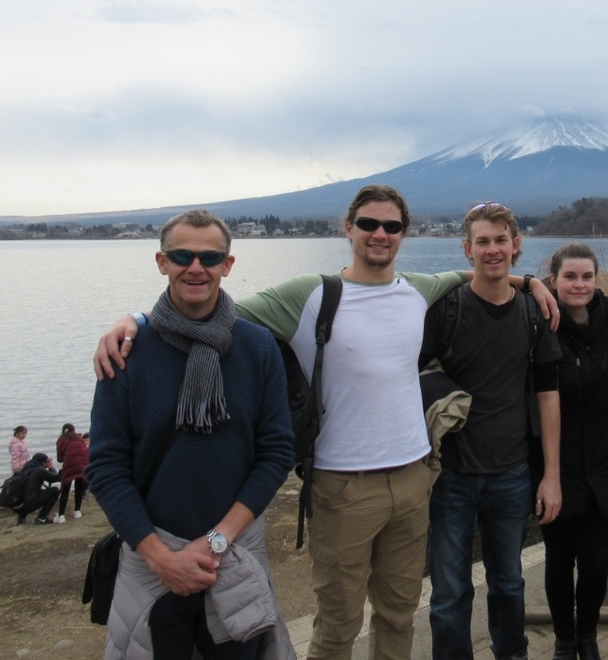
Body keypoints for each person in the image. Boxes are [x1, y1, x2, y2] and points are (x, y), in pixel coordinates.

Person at [93, 186, 558, 660]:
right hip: (343, 487)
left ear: (404, 234)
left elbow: (477, 272)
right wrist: (135, 321)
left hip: (415, 480)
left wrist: (531, 283)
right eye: (369, 224)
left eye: (391, 226)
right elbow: (214, 310)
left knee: (400, 616)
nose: (380, 234)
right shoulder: (310, 295)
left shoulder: (420, 289)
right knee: (337, 626)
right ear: (348, 228)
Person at [86, 209, 296, 659]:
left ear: (228, 263)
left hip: (235, 554)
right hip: (153, 563)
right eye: (182, 255)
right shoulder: (126, 352)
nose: (196, 267)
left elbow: (276, 453)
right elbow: (105, 466)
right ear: (162, 262)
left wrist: (218, 541)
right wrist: (161, 557)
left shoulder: (257, 347)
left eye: (209, 256)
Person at [418, 201, 562, 660]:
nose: (493, 249)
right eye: (483, 241)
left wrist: (551, 475)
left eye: (501, 240)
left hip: (511, 472)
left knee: (509, 584)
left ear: (516, 246)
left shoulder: (533, 315)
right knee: (448, 593)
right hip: (451, 476)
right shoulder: (445, 309)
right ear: (467, 249)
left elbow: (547, 394)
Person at [540, 243, 608, 660]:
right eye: (570, 276)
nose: (579, 284)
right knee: (559, 561)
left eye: (587, 277)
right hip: (556, 465)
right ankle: (564, 638)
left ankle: (588, 635)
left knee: (595, 564)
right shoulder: (539, 324)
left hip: (604, 465)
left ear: (597, 280)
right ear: (553, 280)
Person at [53, 428, 88, 523]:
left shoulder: (61, 439)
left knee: (65, 487)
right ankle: (77, 511)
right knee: (79, 487)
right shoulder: (79, 438)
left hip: (69, 462)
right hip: (83, 462)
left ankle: (61, 516)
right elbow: (85, 450)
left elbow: (60, 459)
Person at [16, 453, 60, 525]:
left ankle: (21, 518)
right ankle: (41, 518)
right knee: (55, 491)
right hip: (28, 505)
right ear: (43, 463)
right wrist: (51, 467)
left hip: (18, 506)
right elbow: (55, 478)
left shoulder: (25, 469)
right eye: (47, 461)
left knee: (32, 492)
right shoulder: (39, 470)